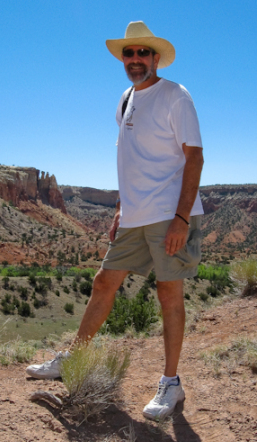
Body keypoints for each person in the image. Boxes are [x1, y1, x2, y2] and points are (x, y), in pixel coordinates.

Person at [26, 21, 204, 421]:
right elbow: (133, 159)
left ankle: (171, 383)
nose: (136, 59)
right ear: (123, 59)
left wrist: (180, 219)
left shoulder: (176, 96)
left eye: (143, 53)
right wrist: (122, 207)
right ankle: (72, 359)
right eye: (130, 53)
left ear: (156, 58)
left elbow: (194, 157)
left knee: (168, 294)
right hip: (134, 215)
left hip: (168, 214)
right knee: (104, 281)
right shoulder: (125, 98)